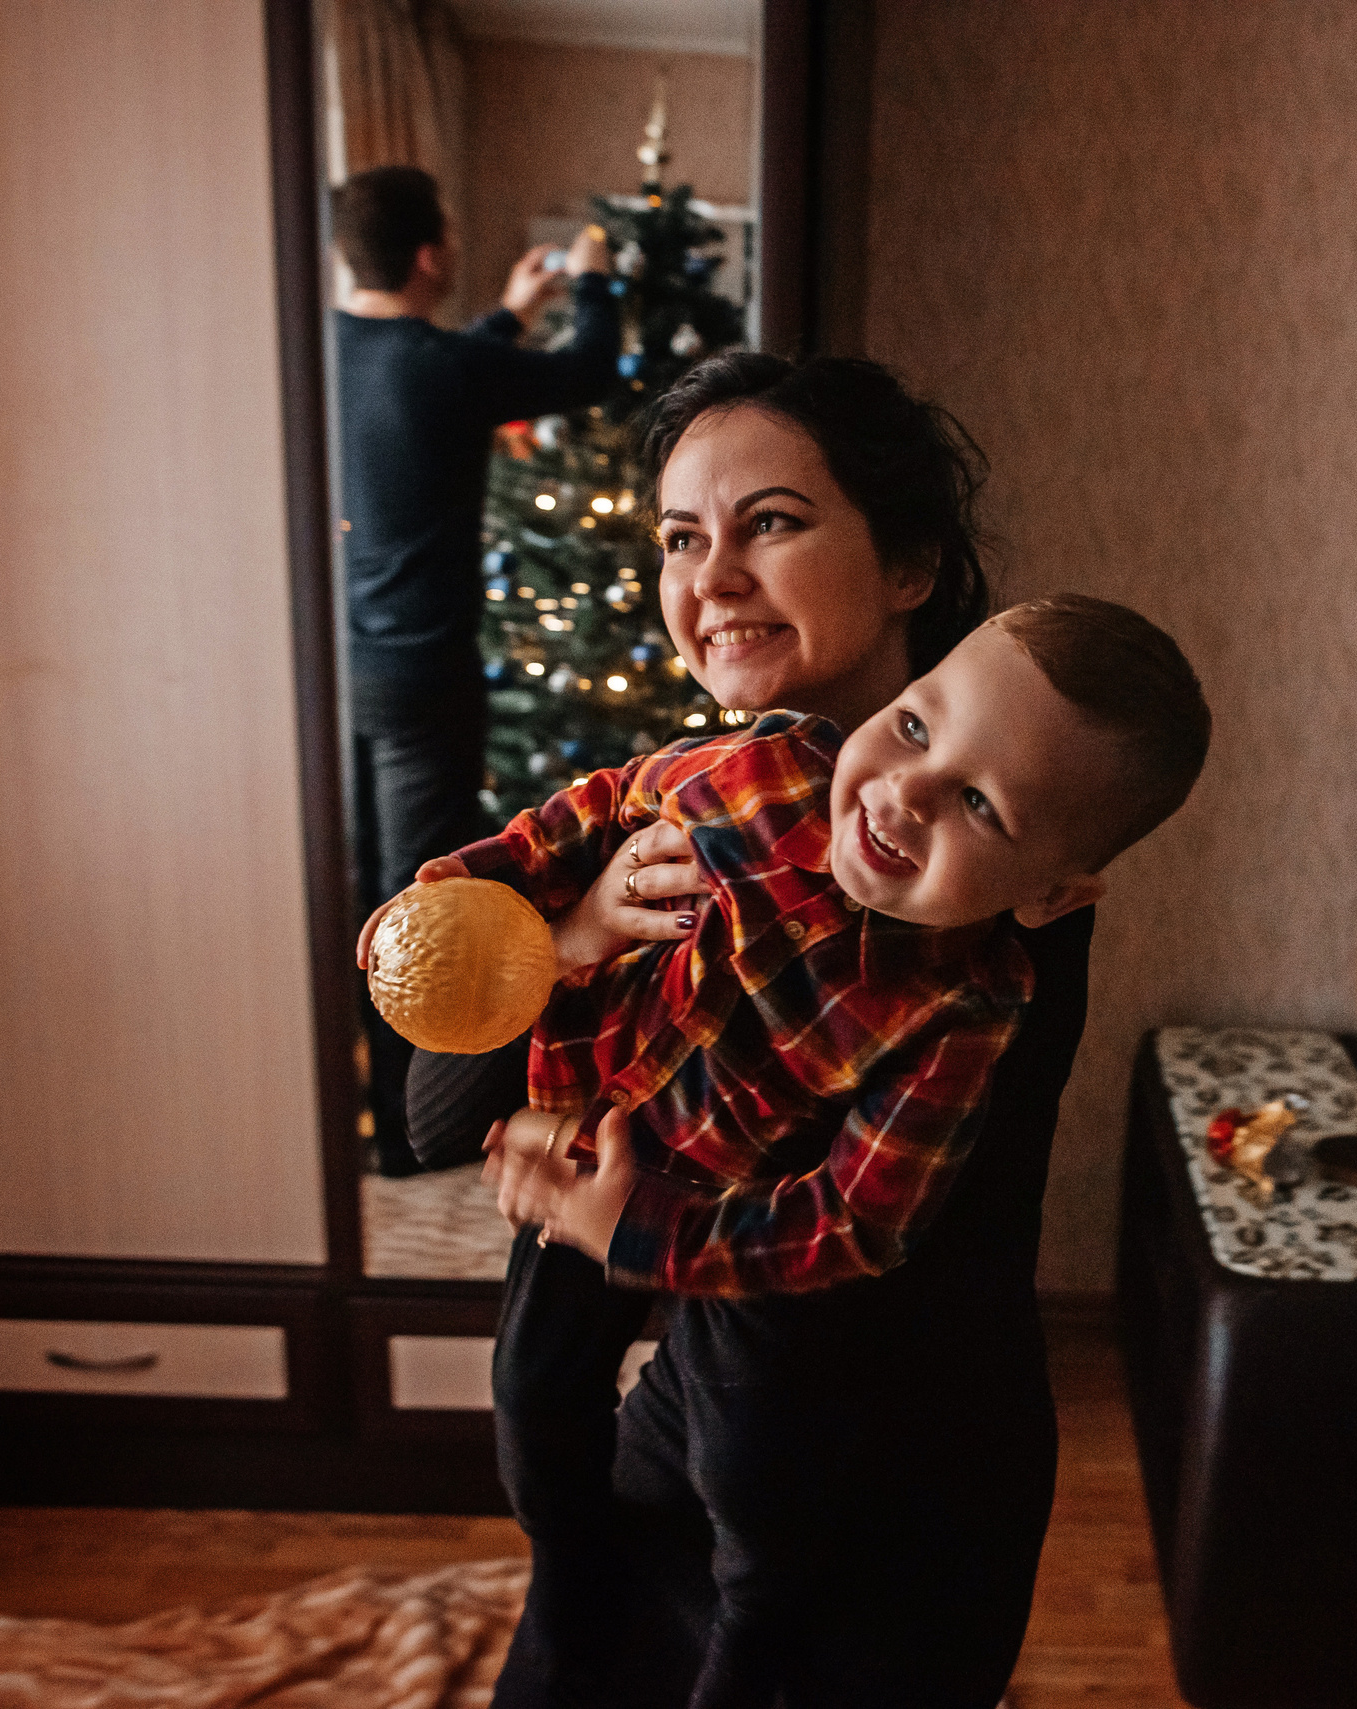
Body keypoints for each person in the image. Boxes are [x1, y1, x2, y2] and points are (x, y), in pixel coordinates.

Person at [393, 353, 1106, 1707]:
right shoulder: (661, 810)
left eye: (770, 522)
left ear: (909, 564)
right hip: (683, 1442)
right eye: (679, 537)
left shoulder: (1000, 882)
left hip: (889, 1484)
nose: (708, 579)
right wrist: (578, 934)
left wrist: (639, 1213)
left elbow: (880, 1258)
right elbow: (436, 1121)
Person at [333, 163, 618, 1174]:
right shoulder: (440, 365)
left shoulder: (328, 349)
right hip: (420, 680)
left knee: (362, 888)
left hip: (334, 676)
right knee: (419, 910)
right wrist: (593, 277)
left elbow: (438, 377)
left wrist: (504, 310)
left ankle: (375, 1114)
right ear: (428, 252)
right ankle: (417, 1138)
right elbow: (589, 369)